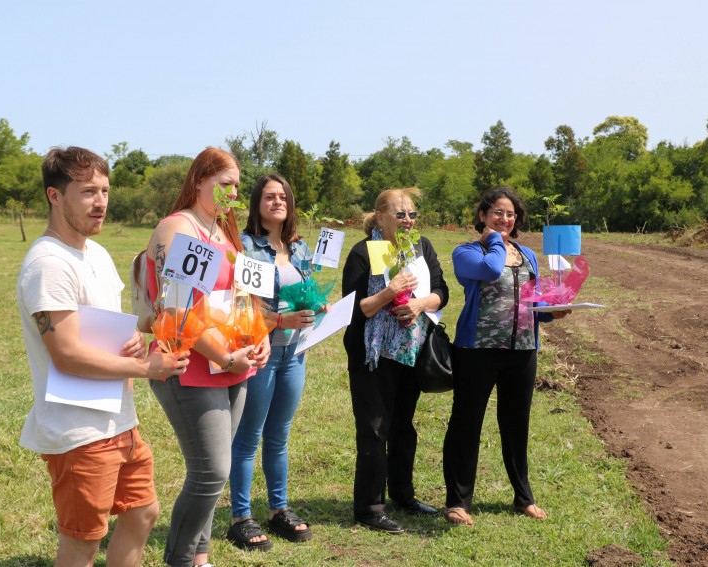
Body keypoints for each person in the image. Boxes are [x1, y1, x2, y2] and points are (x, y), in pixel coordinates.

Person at [17, 146, 190, 567]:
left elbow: (105, 327)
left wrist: (135, 336)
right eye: (88, 192)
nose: (101, 202)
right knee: (83, 542)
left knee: (143, 513)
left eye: (105, 191)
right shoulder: (48, 264)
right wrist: (145, 367)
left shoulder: (95, 253)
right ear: (54, 196)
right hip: (78, 431)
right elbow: (67, 355)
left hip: (118, 420)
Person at [146, 147, 271, 567]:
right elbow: (177, 310)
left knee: (215, 473)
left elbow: (242, 296)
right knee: (211, 471)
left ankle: (201, 559)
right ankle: (180, 561)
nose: (232, 193)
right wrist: (227, 356)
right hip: (188, 365)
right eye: (224, 184)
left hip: (233, 365)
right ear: (199, 180)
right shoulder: (178, 228)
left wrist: (259, 335)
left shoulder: (223, 231)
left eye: (236, 186)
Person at [442, 185, 569, 527]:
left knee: (516, 425)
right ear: (482, 215)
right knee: (466, 424)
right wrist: (496, 241)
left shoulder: (527, 255)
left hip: (522, 351)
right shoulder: (466, 252)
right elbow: (489, 270)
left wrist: (551, 311)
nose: (505, 219)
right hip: (477, 350)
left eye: (511, 214)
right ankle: (457, 502)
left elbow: (531, 301)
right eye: (497, 212)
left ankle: (524, 497)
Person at [342, 187, 448, 534]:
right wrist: (390, 292)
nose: (407, 220)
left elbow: (442, 292)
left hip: (411, 352)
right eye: (400, 214)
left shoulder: (422, 247)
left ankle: (403, 496)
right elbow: (355, 309)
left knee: (403, 426)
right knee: (374, 429)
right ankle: (369, 508)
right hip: (372, 356)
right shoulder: (364, 252)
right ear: (380, 217)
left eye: (412, 214)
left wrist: (419, 304)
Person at [227, 173, 321, 550]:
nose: (277, 201)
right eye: (269, 196)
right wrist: (280, 321)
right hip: (260, 353)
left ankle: (278, 509)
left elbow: (307, 293)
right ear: (257, 204)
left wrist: (318, 305)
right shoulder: (246, 246)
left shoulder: (300, 247)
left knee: (279, 436)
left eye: (283, 196)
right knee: (249, 436)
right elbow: (241, 307)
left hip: (294, 355)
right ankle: (241, 517)